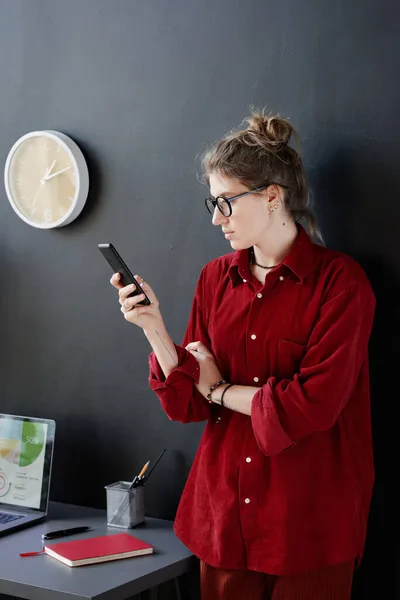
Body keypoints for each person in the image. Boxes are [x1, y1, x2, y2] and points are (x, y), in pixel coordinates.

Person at [111, 110, 376, 600]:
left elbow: (310, 406)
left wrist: (218, 388)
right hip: (224, 522)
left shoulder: (341, 284)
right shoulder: (215, 279)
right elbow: (187, 406)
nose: (216, 218)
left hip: (310, 529)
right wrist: (154, 330)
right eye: (212, 204)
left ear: (273, 196)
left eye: (227, 203)